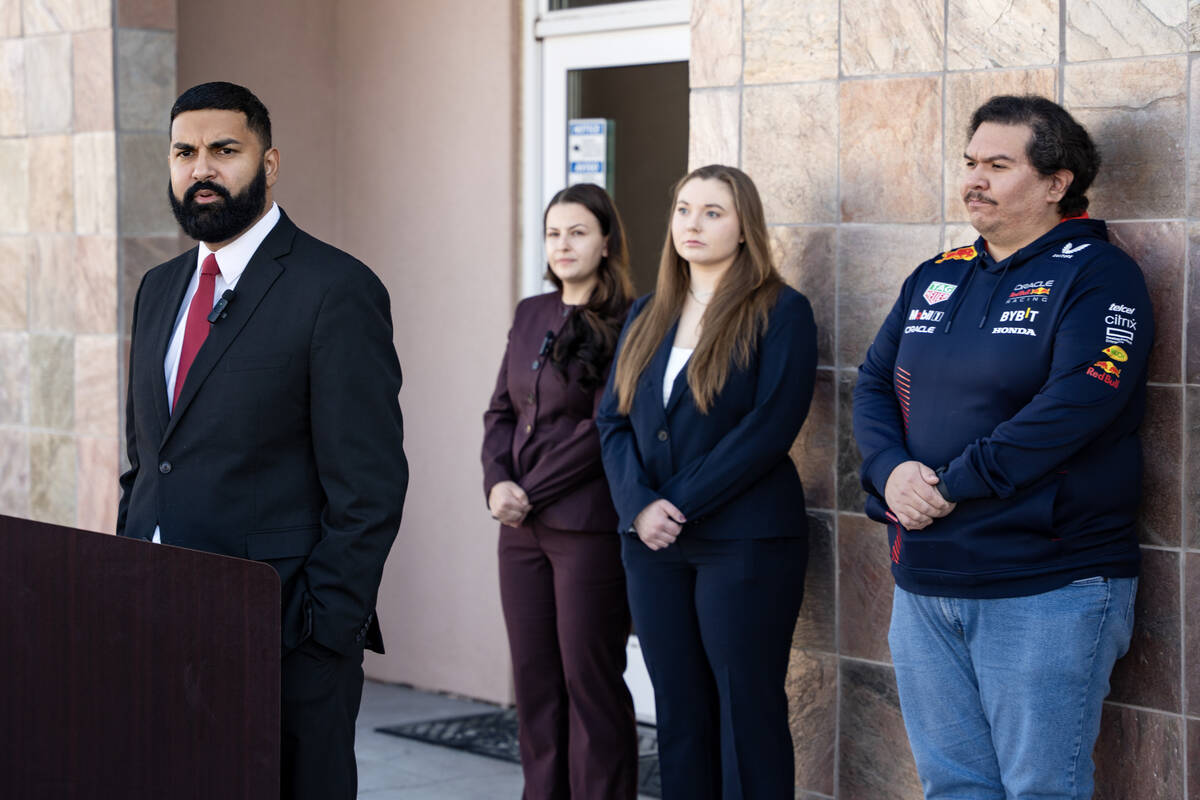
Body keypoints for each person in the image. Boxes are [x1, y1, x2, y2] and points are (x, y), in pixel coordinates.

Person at [853, 95, 1152, 799]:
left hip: (1047, 584)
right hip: (926, 580)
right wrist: (891, 473)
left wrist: (952, 484)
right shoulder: (938, 273)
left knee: (1041, 789)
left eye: (998, 165)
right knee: (953, 788)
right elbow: (873, 383)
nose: (975, 180)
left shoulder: (1099, 272)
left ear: (1056, 183)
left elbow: (1079, 402)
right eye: (970, 163)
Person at [117, 82, 408, 800]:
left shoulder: (335, 288)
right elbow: (148, 459)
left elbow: (368, 486)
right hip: (160, 622)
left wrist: (322, 628)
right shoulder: (158, 289)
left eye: (225, 150)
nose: (201, 169)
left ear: (269, 163)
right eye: (184, 153)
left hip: (285, 637)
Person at [597, 164, 817, 799]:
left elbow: (769, 428)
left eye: (713, 212)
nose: (693, 224)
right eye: (684, 210)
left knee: (746, 714)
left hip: (744, 545)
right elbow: (613, 420)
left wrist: (674, 503)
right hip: (653, 546)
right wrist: (639, 506)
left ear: (745, 228)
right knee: (680, 715)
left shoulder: (780, 311)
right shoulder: (647, 313)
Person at [481, 182, 638, 799]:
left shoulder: (630, 319)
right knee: (535, 682)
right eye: (553, 233)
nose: (563, 244)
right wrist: (497, 483)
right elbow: (501, 410)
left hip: (585, 529)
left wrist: (528, 489)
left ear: (606, 242)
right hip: (519, 531)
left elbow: (604, 426)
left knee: (589, 683)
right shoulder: (531, 313)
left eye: (578, 232)